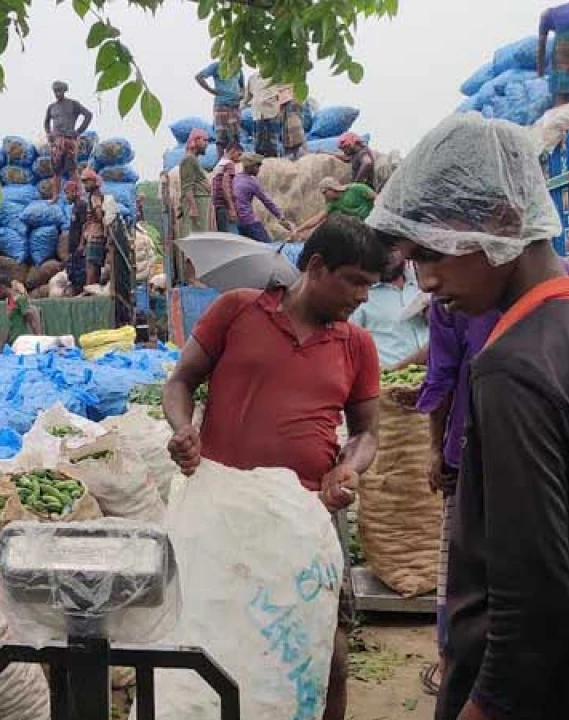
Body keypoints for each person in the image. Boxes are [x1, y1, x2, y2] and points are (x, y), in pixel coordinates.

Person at [367, 113, 569, 720]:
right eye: (414, 257)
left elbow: (532, 600)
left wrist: (483, 706)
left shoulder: (512, 368)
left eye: (434, 253)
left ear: (505, 221)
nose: (427, 280)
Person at [163, 214, 389, 720]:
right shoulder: (237, 311)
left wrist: (347, 469)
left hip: (307, 515)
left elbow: (367, 433)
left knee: (325, 645)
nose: (362, 297)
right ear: (315, 265)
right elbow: (181, 381)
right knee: (215, 628)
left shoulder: (356, 346)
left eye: (370, 286)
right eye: (355, 281)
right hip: (223, 511)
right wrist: (183, 430)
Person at [349, 246, 428, 370]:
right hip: (392, 382)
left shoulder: (423, 281)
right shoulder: (361, 294)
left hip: (438, 376)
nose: (387, 256)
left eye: (392, 249)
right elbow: (351, 348)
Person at [43, 80, 94, 200]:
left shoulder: (73, 104)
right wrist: (49, 133)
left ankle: (78, 194)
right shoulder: (52, 107)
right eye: (55, 91)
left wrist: (78, 131)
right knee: (56, 171)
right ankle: (55, 196)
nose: (57, 93)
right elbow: (46, 121)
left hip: (70, 140)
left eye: (59, 90)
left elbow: (88, 115)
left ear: (64, 90)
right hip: (57, 142)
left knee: (72, 169)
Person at [232, 153, 294, 243]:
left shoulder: (236, 178)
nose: (259, 169)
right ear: (250, 167)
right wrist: (281, 217)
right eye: (257, 166)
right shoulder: (252, 182)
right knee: (268, 247)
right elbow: (267, 201)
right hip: (250, 222)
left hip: (239, 223)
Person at [294, 178, 379, 238]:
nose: (324, 196)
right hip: (361, 229)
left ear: (331, 188)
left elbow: (377, 198)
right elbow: (317, 218)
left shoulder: (357, 188)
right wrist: (298, 230)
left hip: (374, 223)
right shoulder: (333, 204)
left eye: (324, 192)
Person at [539, 3, 569, 106]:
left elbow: (541, 47)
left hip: (565, 47)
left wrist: (540, 73)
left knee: (560, 83)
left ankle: (561, 108)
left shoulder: (545, 16)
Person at [195, 61, 245, 149]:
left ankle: (234, 159)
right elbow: (199, 77)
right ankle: (221, 160)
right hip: (221, 104)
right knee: (222, 136)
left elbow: (242, 86)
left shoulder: (237, 68)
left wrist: (241, 95)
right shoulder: (217, 66)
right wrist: (211, 90)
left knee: (235, 136)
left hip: (235, 106)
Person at [178, 129, 213, 240]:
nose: (206, 144)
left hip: (200, 202)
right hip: (196, 202)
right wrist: (193, 208)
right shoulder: (189, 159)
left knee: (200, 237)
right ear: (196, 140)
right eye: (204, 140)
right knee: (195, 238)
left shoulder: (194, 159)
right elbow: (187, 186)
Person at [244, 72, 285, 157]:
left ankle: (274, 167)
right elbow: (247, 97)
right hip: (257, 117)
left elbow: (284, 96)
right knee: (258, 147)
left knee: (272, 147)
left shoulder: (276, 76)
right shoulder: (252, 78)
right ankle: (260, 168)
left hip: (272, 116)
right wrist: (241, 106)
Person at [80, 169, 109, 286]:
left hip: (95, 236)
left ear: (94, 181)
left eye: (87, 182)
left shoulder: (95, 196)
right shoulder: (95, 195)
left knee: (91, 266)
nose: (85, 185)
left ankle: (89, 289)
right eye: (83, 182)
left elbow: (99, 214)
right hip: (95, 235)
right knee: (94, 267)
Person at [0, 276, 42, 345]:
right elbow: (10, 324)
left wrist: (38, 338)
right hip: (12, 340)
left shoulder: (20, 299)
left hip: (21, 341)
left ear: (2, 287)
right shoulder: (8, 301)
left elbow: (31, 319)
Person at [211, 143, 243, 234]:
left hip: (217, 204)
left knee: (222, 234)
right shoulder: (229, 164)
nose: (240, 158)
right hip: (224, 205)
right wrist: (231, 207)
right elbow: (225, 186)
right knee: (229, 235)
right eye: (239, 154)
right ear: (233, 151)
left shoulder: (219, 163)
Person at [63, 181, 88, 295]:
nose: (66, 196)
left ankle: (81, 292)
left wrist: (82, 244)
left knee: (80, 274)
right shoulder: (75, 207)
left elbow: (84, 225)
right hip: (74, 248)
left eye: (67, 193)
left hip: (79, 247)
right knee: (72, 273)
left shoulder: (82, 205)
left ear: (74, 192)